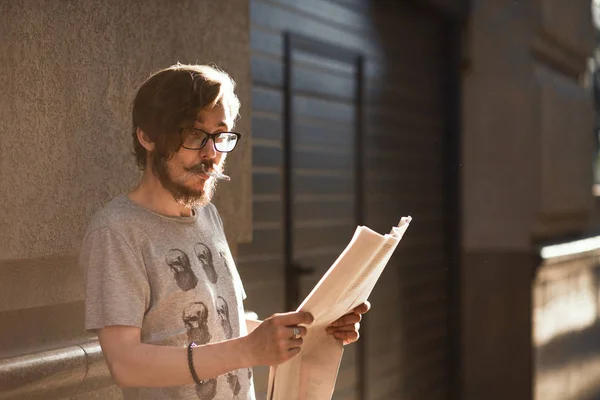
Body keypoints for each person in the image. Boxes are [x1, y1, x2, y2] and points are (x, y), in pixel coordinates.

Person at [79, 63, 370, 400]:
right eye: (192, 134)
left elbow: (226, 326)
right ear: (147, 136)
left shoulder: (208, 216)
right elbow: (125, 364)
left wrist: (311, 332)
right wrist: (248, 350)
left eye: (220, 135)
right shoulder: (116, 230)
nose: (211, 153)